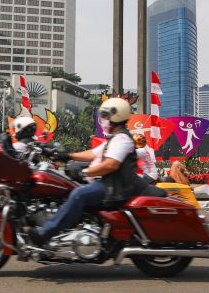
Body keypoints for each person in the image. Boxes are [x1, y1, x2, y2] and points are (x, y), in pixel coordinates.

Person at [28, 98, 149, 246]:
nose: (103, 120)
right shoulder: (114, 138)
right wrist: (66, 156)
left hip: (115, 188)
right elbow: (93, 154)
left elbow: (111, 165)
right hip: (110, 184)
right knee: (71, 188)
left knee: (79, 194)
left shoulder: (122, 139)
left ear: (116, 116)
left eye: (105, 116)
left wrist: (84, 173)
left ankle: (44, 234)